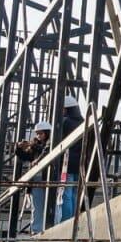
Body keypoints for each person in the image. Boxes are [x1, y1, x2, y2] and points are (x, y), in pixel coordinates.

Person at [15, 121, 52, 232]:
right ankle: (36, 230)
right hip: (36, 180)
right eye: (37, 134)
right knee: (37, 207)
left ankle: (49, 229)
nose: (38, 136)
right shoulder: (35, 146)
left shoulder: (49, 143)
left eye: (41, 133)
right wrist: (18, 148)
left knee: (50, 206)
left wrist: (34, 146)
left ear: (47, 133)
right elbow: (25, 156)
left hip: (48, 178)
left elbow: (46, 152)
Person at [55, 95, 83, 224]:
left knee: (66, 194)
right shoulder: (83, 121)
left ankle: (66, 221)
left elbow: (58, 142)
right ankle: (74, 220)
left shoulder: (65, 122)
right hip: (80, 163)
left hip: (67, 164)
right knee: (75, 194)